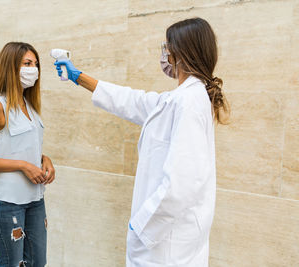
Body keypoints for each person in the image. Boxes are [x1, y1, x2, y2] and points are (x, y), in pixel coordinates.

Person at [54, 18, 229, 267]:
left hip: (165, 245)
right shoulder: (179, 98)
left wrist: (142, 227)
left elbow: (180, 184)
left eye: (167, 47)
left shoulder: (189, 101)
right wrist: (78, 76)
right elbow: (132, 100)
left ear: (181, 52)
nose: (164, 53)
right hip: (165, 241)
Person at [0, 42, 55, 267]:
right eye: (27, 63)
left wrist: (45, 160)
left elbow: (22, 145)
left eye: (35, 64)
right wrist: (22, 166)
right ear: (11, 67)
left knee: (37, 263)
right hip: (6, 203)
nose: (33, 69)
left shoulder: (30, 105)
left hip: (35, 199)